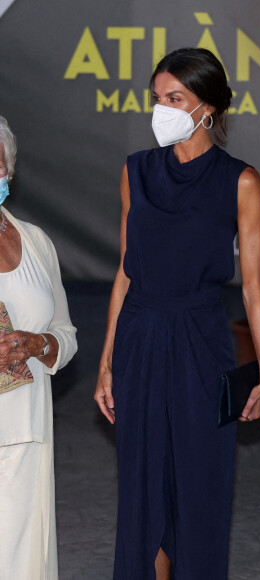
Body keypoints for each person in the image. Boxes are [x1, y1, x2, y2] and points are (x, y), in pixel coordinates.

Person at [94, 48, 260, 580]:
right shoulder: (137, 171)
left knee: (200, 485)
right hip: (140, 337)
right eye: (157, 98)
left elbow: (253, 291)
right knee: (143, 486)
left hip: (202, 342)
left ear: (209, 108)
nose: (161, 110)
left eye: (175, 98)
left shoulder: (242, 181)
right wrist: (106, 362)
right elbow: (125, 272)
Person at [0, 115, 78, 579]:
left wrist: (39, 343)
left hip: (27, 431)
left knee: (21, 557)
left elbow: (66, 336)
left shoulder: (36, 242)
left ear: (10, 170)